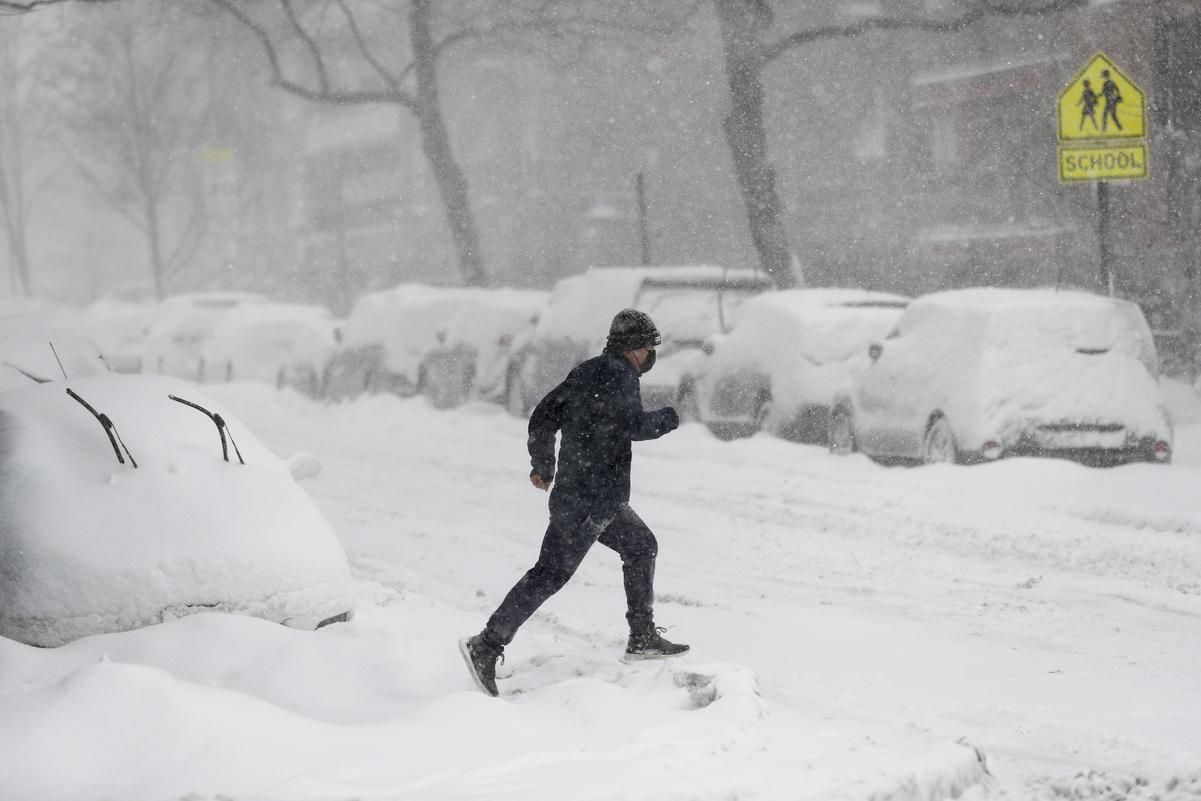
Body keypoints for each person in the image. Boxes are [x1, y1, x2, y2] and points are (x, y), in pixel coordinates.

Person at [459, 308, 689, 697]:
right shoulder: (620, 377)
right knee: (550, 574)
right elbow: (631, 426)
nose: (651, 353)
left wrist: (543, 465)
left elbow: (544, 415)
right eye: (650, 346)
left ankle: (642, 636)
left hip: (593, 496)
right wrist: (668, 418)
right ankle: (486, 644)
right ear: (635, 349)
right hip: (590, 500)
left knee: (641, 546)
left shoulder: (586, 371)